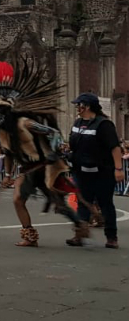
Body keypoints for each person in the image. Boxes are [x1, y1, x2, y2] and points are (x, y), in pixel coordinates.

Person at [0, 60, 86, 248]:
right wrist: (7, 175)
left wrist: (53, 151)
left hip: (45, 167)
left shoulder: (25, 123)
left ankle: (79, 225)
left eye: (0, 115)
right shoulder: (3, 132)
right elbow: (8, 154)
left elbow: (53, 132)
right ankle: (30, 235)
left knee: (57, 203)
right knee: (19, 200)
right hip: (28, 170)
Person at [67, 93, 121, 249]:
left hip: (102, 172)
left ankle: (111, 237)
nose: (77, 108)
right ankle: (79, 235)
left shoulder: (104, 124)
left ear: (87, 106)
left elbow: (115, 148)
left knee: (106, 204)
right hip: (81, 172)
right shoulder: (77, 123)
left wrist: (118, 169)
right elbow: (74, 145)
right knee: (83, 203)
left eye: (79, 105)